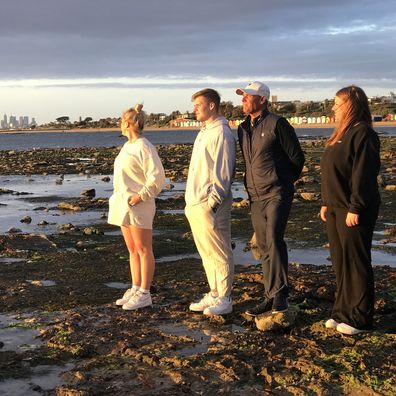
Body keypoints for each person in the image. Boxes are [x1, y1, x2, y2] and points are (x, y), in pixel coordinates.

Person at [236, 81, 305, 316]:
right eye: (242, 96)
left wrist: (283, 181)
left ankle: (281, 296)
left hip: (277, 193)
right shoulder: (243, 128)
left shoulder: (278, 124)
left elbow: (297, 158)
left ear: (262, 99)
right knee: (263, 245)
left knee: (274, 240)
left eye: (247, 96)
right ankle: (270, 294)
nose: (243, 100)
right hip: (255, 196)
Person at [320, 86, 381, 335]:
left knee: (356, 262)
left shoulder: (363, 133)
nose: (333, 107)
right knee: (340, 261)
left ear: (351, 105)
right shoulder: (340, 134)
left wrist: (356, 207)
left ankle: (360, 318)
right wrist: (326, 202)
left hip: (354, 209)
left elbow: (363, 174)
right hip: (335, 207)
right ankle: (342, 311)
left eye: (337, 103)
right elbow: (333, 173)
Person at [108, 103, 165, 310]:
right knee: (132, 249)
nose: (120, 124)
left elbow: (157, 177)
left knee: (143, 249)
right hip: (123, 203)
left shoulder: (144, 146)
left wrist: (141, 197)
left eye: (123, 120)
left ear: (131, 123)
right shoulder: (127, 146)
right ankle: (135, 287)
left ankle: (145, 292)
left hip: (138, 204)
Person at [185, 88, 236, 316]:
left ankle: (225, 297)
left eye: (199, 104)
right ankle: (214, 292)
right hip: (195, 201)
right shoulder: (204, 131)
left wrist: (211, 203)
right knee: (206, 252)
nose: (195, 109)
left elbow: (223, 171)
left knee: (220, 251)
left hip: (210, 204)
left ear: (212, 105)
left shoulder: (222, 133)